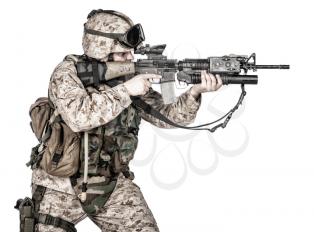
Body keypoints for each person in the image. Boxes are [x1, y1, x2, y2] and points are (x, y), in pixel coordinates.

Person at [31, 9, 223, 231]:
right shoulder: (68, 73)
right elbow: (78, 117)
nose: (131, 59)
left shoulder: (131, 78)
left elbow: (168, 117)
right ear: (102, 51)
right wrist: (126, 91)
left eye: (131, 53)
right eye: (123, 54)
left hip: (110, 183)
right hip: (60, 184)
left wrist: (195, 92)